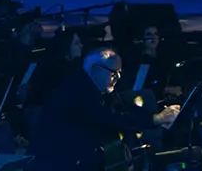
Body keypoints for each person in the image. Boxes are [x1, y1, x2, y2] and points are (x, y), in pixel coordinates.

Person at [29, 48, 165, 171]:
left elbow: (122, 108)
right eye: (113, 72)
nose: (118, 78)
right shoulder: (77, 91)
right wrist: (156, 119)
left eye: (119, 72)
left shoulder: (99, 90)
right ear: (95, 69)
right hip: (61, 162)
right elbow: (110, 119)